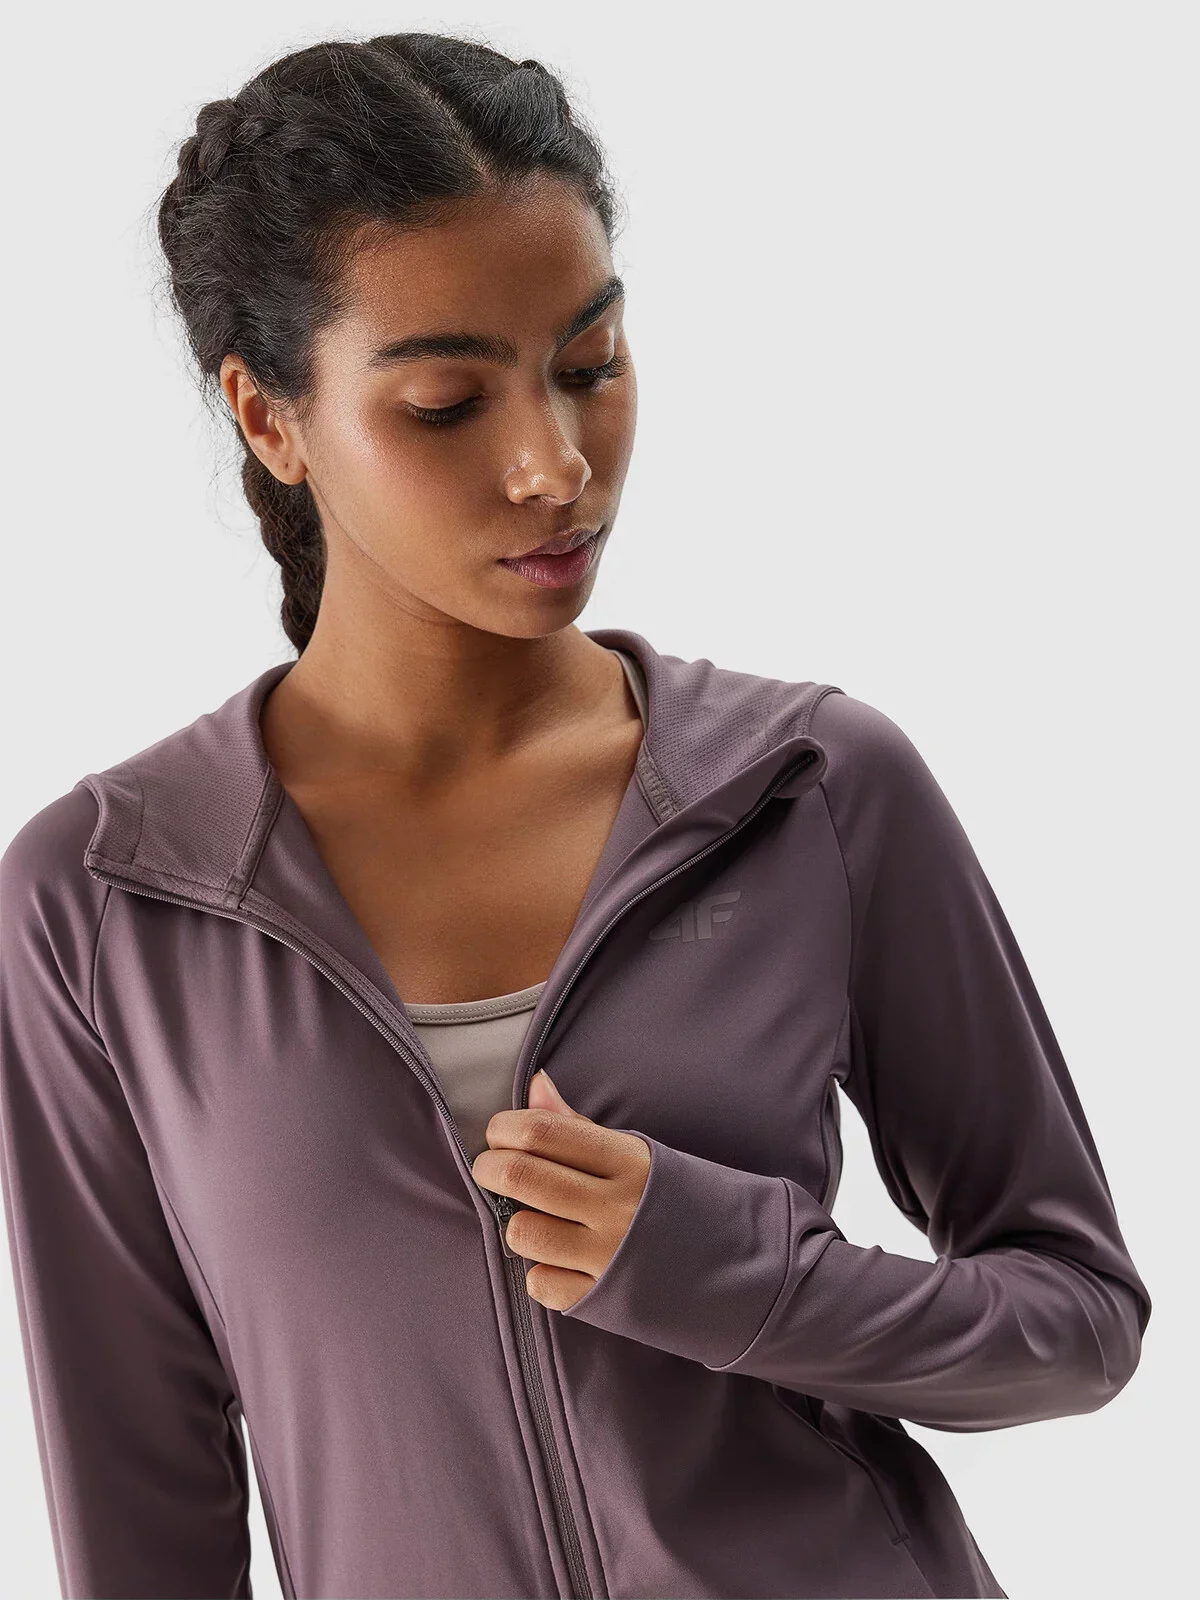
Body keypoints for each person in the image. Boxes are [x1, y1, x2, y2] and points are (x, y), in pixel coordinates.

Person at [0, 30, 1151, 1600]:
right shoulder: (106, 901)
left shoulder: (811, 789)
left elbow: (1078, 1325)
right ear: (270, 419)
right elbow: (139, 1514)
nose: (555, 466)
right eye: (446, 404)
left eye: (591, 366)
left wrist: (734, 1275)